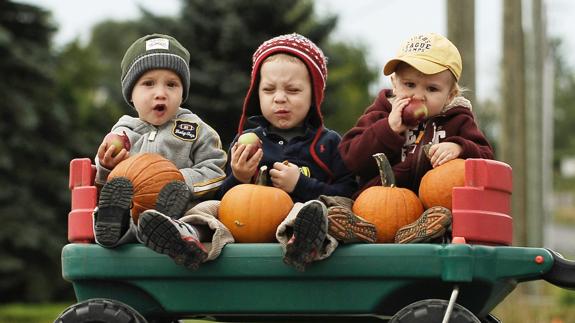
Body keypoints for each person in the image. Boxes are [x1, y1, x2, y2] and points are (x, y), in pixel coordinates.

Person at [137, 33, 376, 272]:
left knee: (307, 210)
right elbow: (222, 197)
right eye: (269, 90)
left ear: (314, 95)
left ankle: (303, 243)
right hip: (241, 226)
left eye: (293, 90)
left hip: (293, 223)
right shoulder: (247, 142)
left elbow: (347, 195)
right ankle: (185, 237)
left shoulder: (329, 143)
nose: (280, 98)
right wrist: (238, 177)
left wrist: (301, 185)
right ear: (256, 94)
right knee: (207, 209)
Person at [339, 32, 494, 244]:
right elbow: (351, 159)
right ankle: (344, 227)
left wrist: (460, 147)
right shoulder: (380, 115)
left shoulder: (457, 121)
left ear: (450, 95)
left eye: (432, 89)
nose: (418, 96)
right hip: (375, 210)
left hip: (429, 215)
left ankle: (422, 235)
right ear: (394, 83)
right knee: (337, 204)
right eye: (409, 85)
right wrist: (388, 129)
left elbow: (486, 157)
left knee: (442, 221)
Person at [92, 34, 227, 269]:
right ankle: (116, 227)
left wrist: (180, 181)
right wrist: (106, 165)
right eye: (148, 83)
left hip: (184, 209)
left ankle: (179, 238)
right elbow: (107, 182)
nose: (161, 93)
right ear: (131, 95)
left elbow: (215, 168)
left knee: (205, 219)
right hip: (135, 211)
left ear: (182, 93)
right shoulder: (123, 133)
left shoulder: (195, 128)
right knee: (114, 212)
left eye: (172, 84)